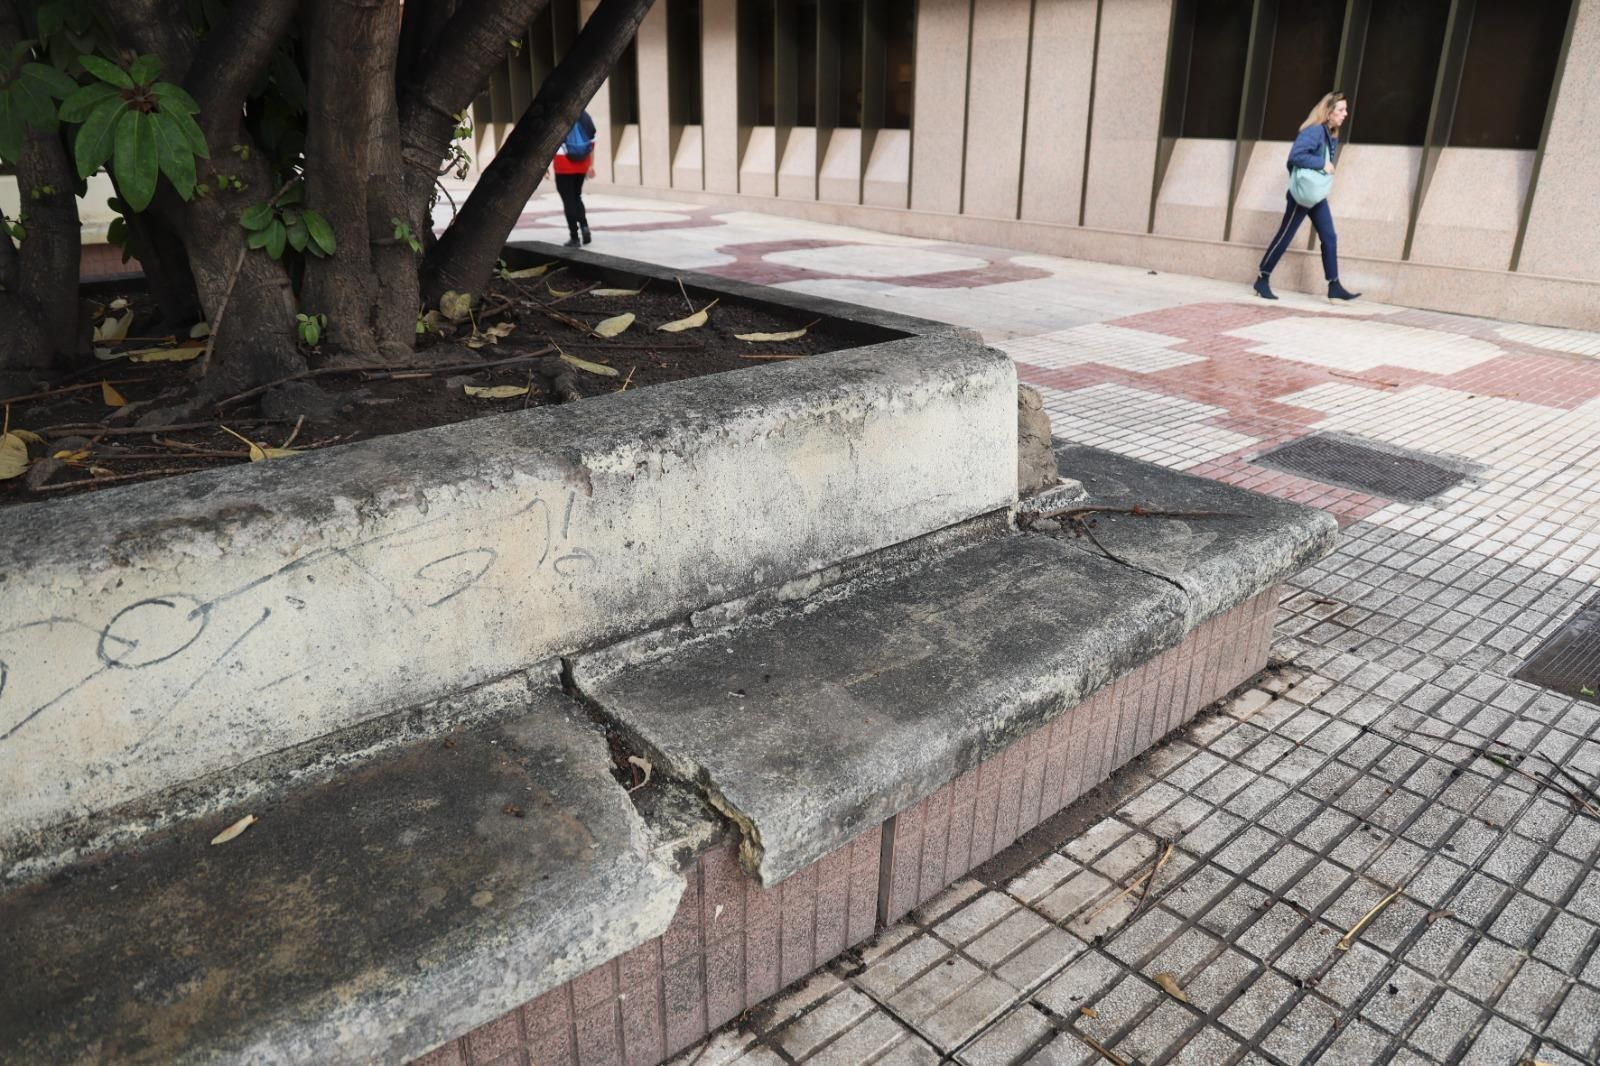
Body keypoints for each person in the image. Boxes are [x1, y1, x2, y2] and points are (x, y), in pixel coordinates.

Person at [1253, 91, 1360, 302]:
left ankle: (1334, 285)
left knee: (1329, 237)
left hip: (1316, 195)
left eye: (1345, 110)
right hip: (1302, 196)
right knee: (1285, 235)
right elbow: (1296, 156)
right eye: (1341, 110)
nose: (1345, 114)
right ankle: (1262, 279)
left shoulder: (1331, 134)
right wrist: (1322, 164)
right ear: (1328, 112)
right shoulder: (1314, 131)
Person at [550, 109, 597, 248]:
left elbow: (549, 144)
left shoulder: (558, 117)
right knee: (577, 196)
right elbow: (592, 142)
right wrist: (590, 165)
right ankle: (584, 227)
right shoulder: (586, 116)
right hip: (582, 164)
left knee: (568, 200)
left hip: (563, 164)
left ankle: (574, 237)